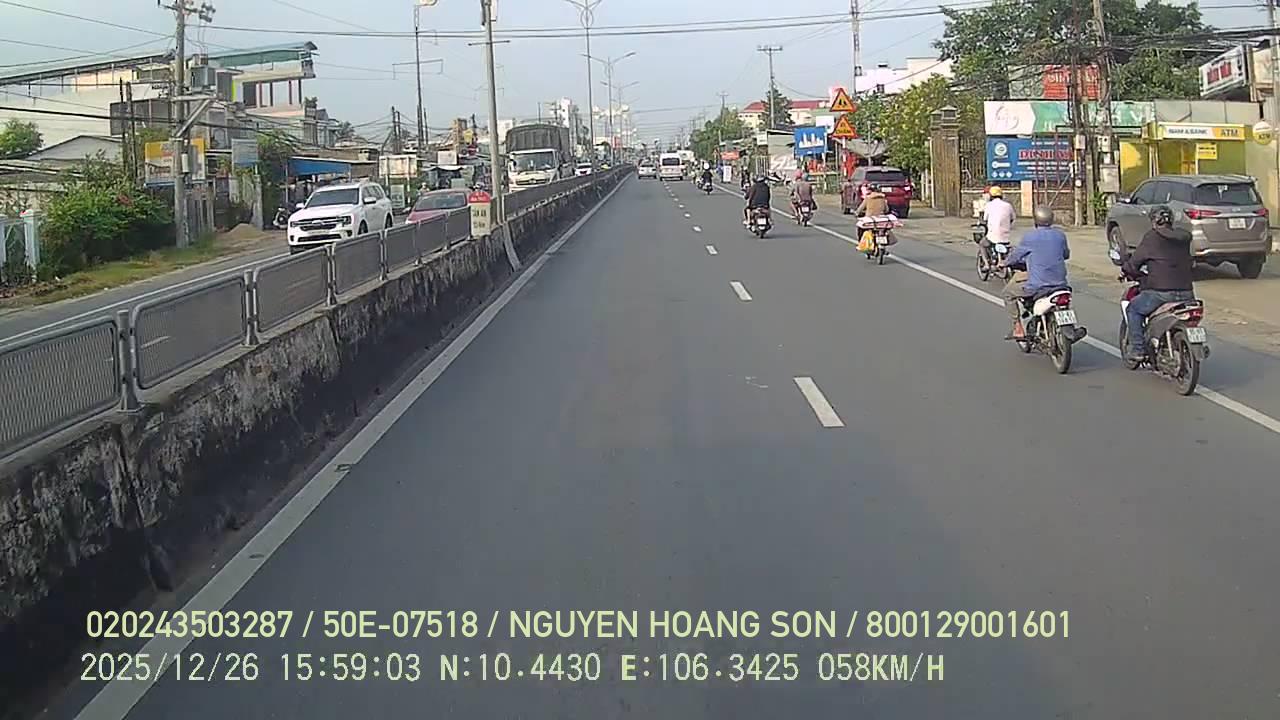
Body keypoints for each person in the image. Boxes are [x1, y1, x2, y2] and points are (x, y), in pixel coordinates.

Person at [1120, 205, 1195, 362]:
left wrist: (1126, 269)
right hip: (1187, 293)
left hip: (1161, 293)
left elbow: (1135, 262)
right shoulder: (1184, 237)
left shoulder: (1152, 238)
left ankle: (1138, 349)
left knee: (1133, 309)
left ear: (1154, 221)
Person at [1000, 205, 1073, 340]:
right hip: (1061, 283)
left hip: (1038, 285)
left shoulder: (1030, 237)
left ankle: (1018, 328)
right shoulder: (1060, 235)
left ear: (1035, 220)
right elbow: (1066, 254)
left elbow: (1015, 256)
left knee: (1008, 293)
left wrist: (1004, 263)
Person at [981, 185, 1015, 257]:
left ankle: (986, 262)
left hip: (992, 237)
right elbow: (1012, 218)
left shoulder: (989, 205)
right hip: (1005, 237)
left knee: (982, 244)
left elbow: (985, 219)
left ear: (990, 195)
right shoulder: (1008, 205)